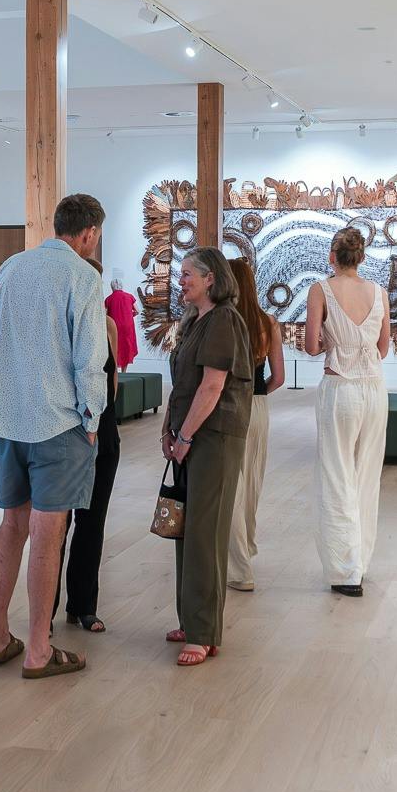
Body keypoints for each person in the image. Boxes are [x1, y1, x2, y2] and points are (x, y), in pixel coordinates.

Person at [0, 194, 108, 681]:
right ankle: (38, 648)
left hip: (8, 420)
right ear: (90, 233)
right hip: (58, 422)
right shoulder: (82, 276)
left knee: (12, 526)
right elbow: (88, 359)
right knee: (47, 536)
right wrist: (92, 419)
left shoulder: (11, 268)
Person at [161, 247, 252, 664]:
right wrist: (170, 429)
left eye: (187, 275)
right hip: (191, 435)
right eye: (180, 275)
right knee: (187, 528)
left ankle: (203, 631)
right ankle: (191, 618)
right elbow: (183, 383)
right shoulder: (193, 321)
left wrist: (185, 436)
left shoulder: (223, 320)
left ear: (210, 278)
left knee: (206, 531)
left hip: (213, 436)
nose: (181, 280)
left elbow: (212, 387)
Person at [305, 226, 390, 596]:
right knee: (366, 476)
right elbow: (384, 348)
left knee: (336, 474)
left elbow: (310, 346)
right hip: (374, 388)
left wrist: (332, 340)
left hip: (340, 387)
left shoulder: (320, 289)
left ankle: (345, 569)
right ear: (362, 257)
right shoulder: (380, 292)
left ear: (332, 256)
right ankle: (361, 561)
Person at [61, 258, 120, 634]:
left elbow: (111, 381)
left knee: (92, 522)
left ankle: (83, 604)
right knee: (56, 521)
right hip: (69, 433)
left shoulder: (108, 325)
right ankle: (46, 607)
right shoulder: (62, 327)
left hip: (104, 433)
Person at [225, 256, 285, 593]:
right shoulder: (267, 322)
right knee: (252, 487)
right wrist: (257, 395)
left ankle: (239, 567)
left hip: (232, 406)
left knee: (232, 485)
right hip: (259, 406)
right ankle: (244, 549)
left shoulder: (226, 322)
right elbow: (279, 377)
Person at [107, 273, 139, 370]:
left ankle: (115, 372)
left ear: (112, 287)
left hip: (114, 327)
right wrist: (129, 315)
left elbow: (105, 315)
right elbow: (137, 311)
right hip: (127, 326)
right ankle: (124, 372)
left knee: (115, 347)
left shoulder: (108, 299)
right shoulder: (129, 296)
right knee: (126, 347)